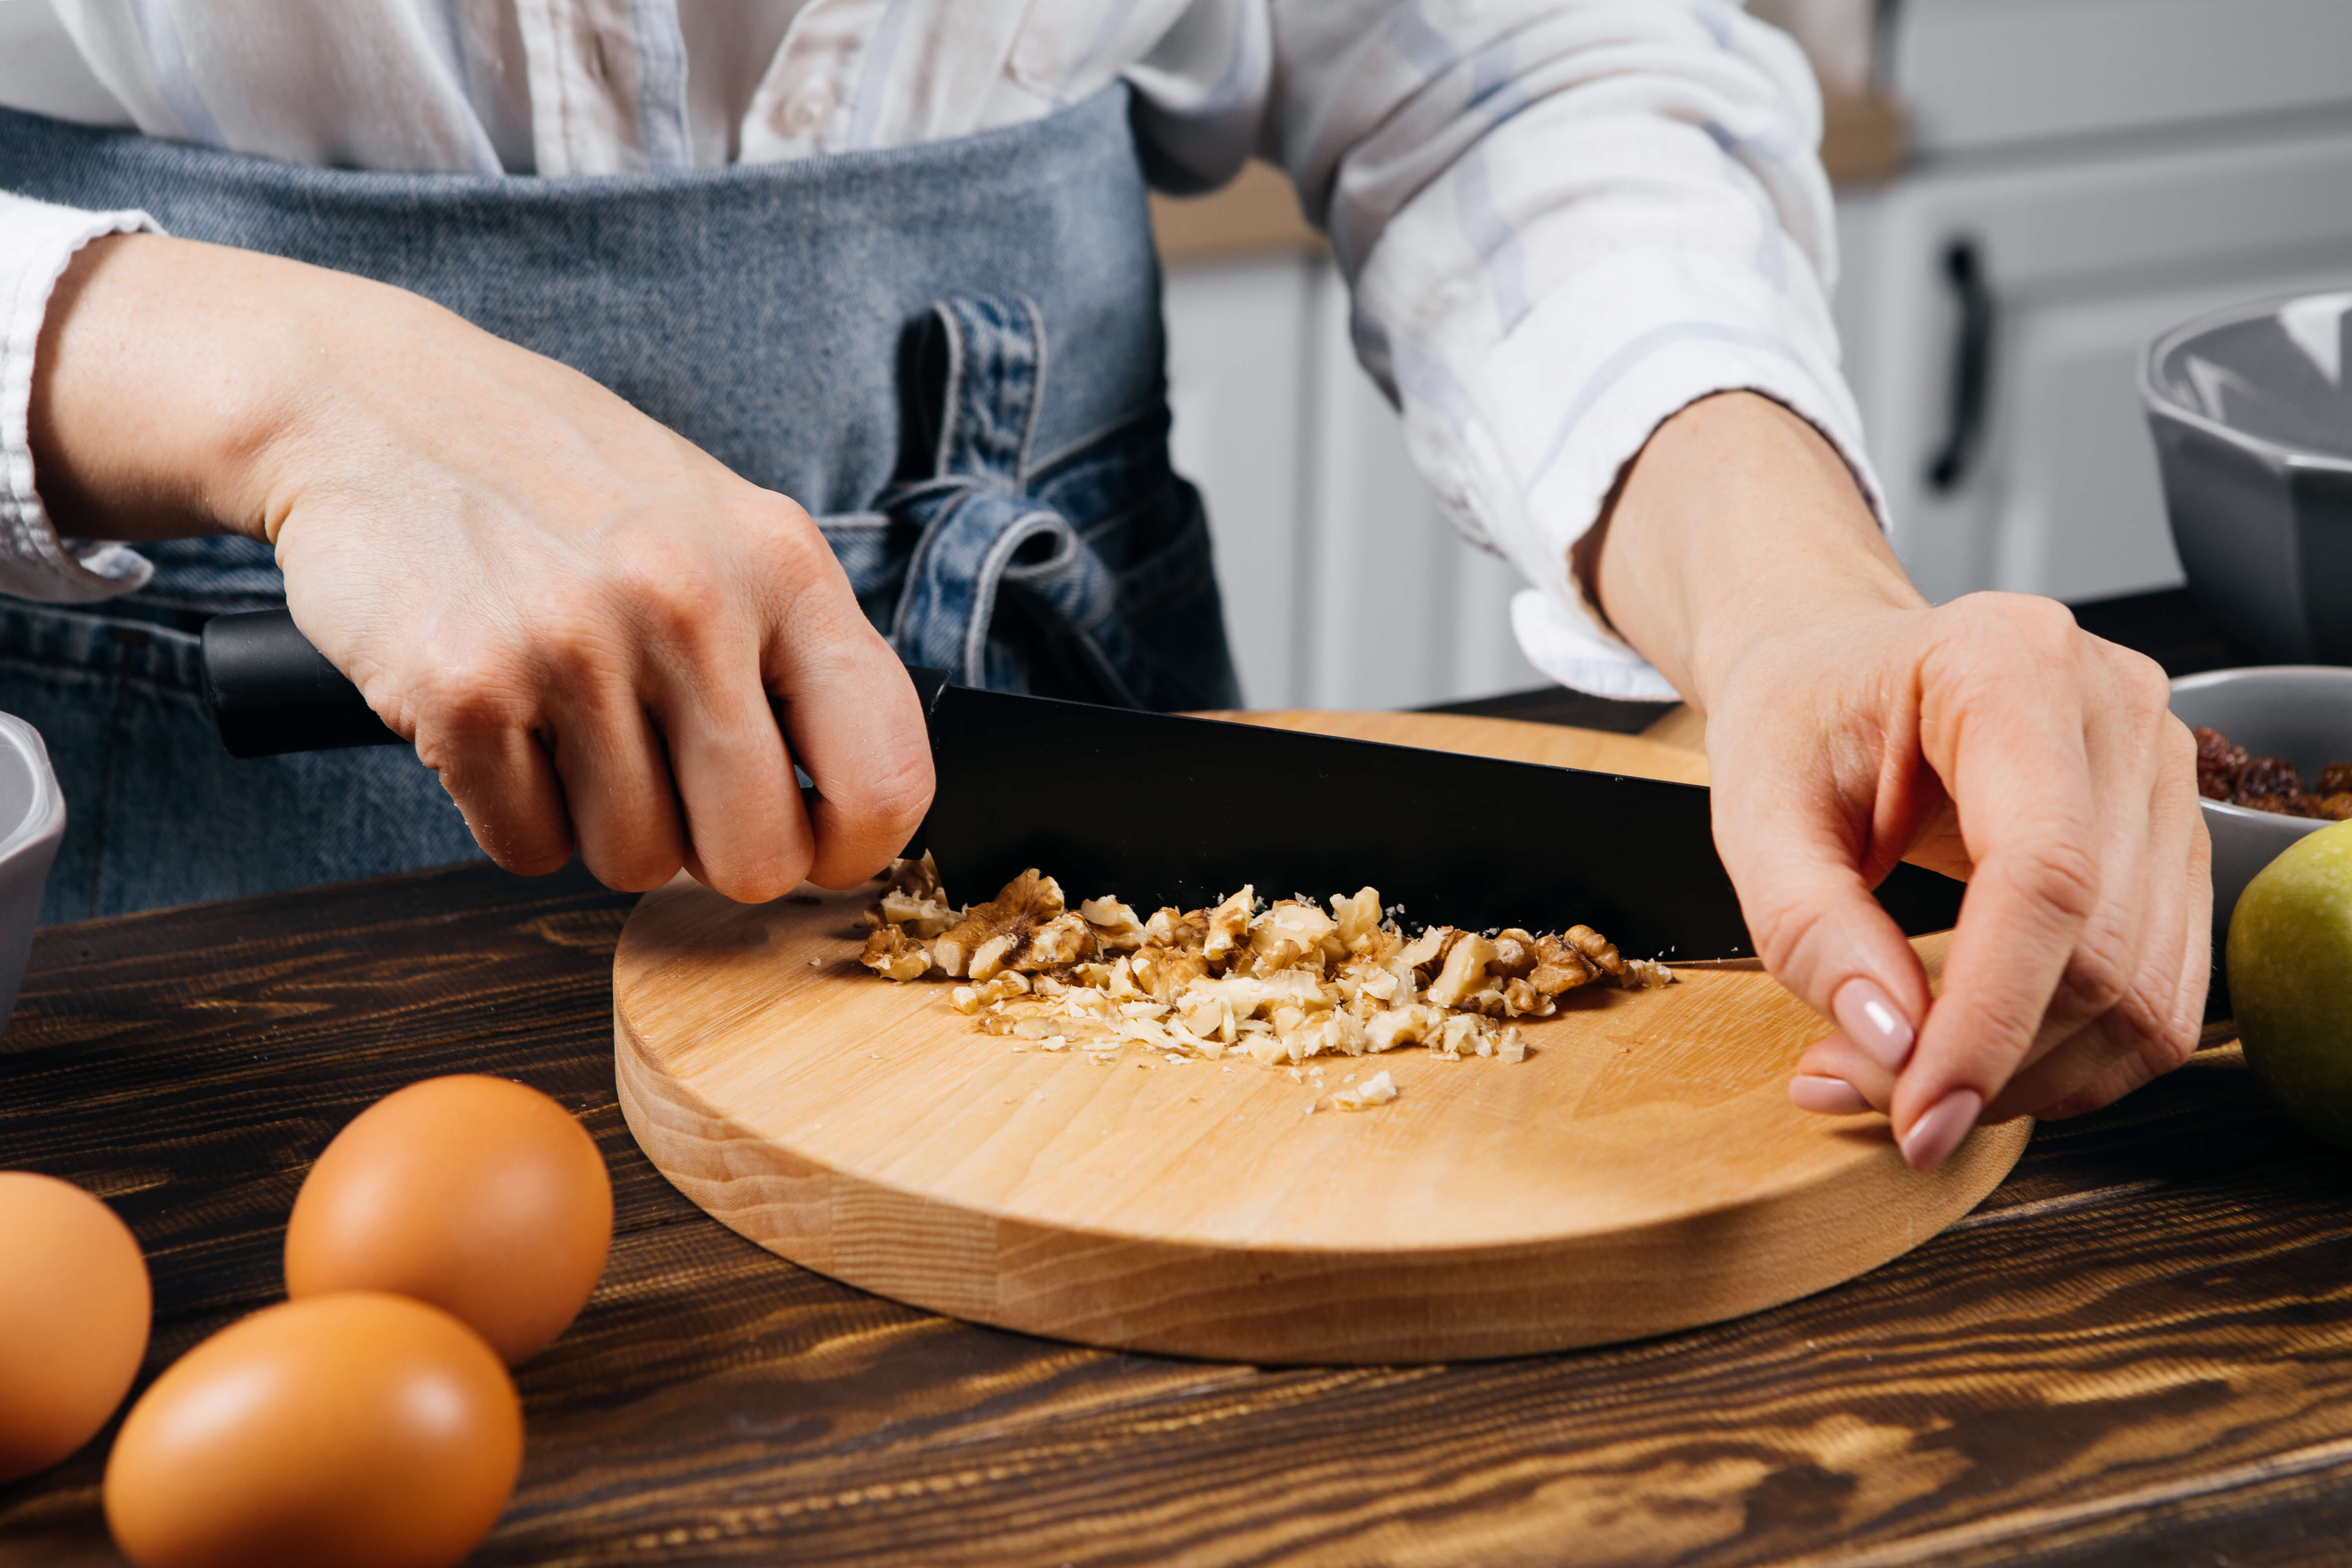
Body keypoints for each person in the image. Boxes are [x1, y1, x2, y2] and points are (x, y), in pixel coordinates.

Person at [0, 0, 2205, 1173]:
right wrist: (256, 373)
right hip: (160, 986)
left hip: (1061, 914)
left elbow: (1505, 60)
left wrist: (1791, 586)